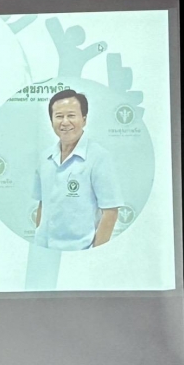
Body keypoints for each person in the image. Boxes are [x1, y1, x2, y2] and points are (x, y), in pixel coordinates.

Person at [32, 89, 123, 251]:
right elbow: (42, 204)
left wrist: (94, 254)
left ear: (84, 119)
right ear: (51, 121)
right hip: (44, 249)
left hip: (79, 252)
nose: (65, 122)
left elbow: (110, 212)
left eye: (71, 115)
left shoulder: (98, 157)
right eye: (59, 116)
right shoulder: (45, 158)